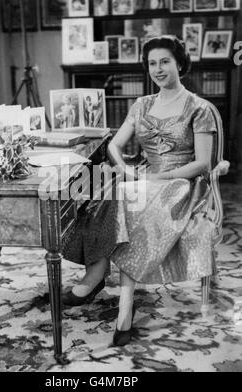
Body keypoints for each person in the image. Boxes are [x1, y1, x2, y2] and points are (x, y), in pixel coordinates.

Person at [62, 36, 219, 346]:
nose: (158, 69)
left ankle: (124, 307)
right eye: (152, 63)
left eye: (164, 61)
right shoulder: (141, 104)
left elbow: (202, 163)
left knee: (132, 204)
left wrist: (161, 178)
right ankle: (97, 272)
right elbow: (115, 146)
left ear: (179, 64)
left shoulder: (199, 108)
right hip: (145, 177)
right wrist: (125, 170)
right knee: (101, 194)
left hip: (181, 183)